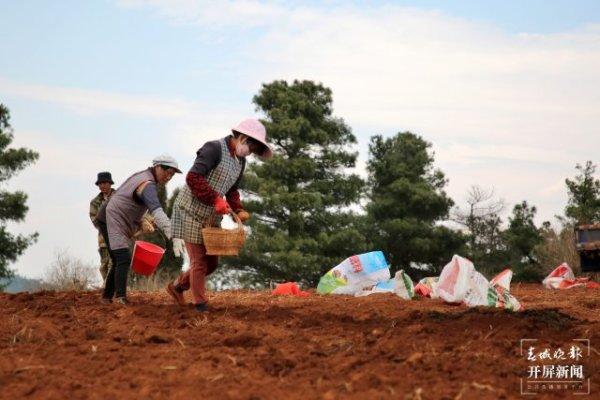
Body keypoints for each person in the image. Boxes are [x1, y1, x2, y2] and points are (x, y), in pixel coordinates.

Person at [167, 118, 273, 312]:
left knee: (211, 263)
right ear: (242, 138)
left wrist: (238, 209)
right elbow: (193, 177)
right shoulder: (213, 148)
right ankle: (200, 305)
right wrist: (215, 199)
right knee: (198, 260)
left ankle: (177, 286)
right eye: (251, 147)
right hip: (189, 210)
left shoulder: (240, 162)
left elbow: (232, 189)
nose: (250, 152)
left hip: (209, 215)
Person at [96, 155, 181, 305]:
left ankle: (106, 297)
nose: (169, 177)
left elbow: (129, 200)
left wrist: (142, 220)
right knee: (123, 257)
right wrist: (173, 235)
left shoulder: (144, 176)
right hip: (111, 216)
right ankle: (120, 297)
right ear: (158, 167)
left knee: (118, 259)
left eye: (172, 175)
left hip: (110, 216)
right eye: (168, 172)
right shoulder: (147, 183)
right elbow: (158, 212)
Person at [89, 172, 116, 281]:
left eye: (105, 183)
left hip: (119, 237)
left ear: (110, 183)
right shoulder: (95, 202)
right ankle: (107, 285)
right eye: (100, 184)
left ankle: (110, 287)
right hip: (104, 239)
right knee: (104, 265)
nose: (102, 186)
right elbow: (95, 221)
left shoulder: (119, 196)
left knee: (115, 263)